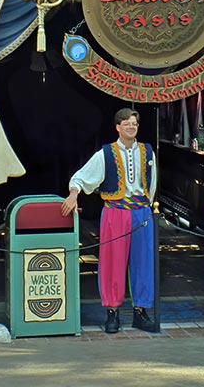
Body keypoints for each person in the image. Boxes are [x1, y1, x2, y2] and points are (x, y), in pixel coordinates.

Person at [61, 107, 157, 333]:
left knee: (144, 262)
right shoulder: (105, 154)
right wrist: (74, 193)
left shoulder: (148, 152)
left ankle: (140, 312)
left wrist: (147, 207)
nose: (131, 127)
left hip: (141, 212)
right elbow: (82, 177)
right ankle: (112, 313)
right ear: (118, 127)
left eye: (134, 123)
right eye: (126, 123)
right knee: (112, 262)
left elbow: (152, 185)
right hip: (115, 212)